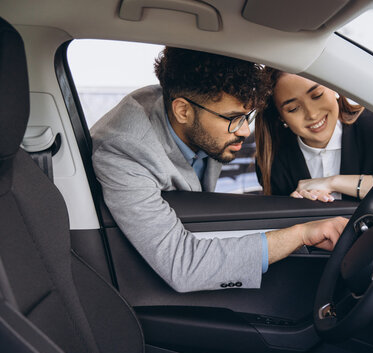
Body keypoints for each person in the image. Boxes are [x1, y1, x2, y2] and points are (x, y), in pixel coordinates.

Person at [91, 48, 347, 293]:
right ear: (183, 111)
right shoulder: (124, 151)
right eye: (234, 119)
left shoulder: (199, 115)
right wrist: (301, 234)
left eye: (247, 117)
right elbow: (182, 265)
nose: (245, 131)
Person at [255, 69, 373, 211]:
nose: (312, 114)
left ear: (333, 88)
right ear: (280, 117)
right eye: (294, 108)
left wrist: (333, 182)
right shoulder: (273, 159)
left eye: (317, 95)